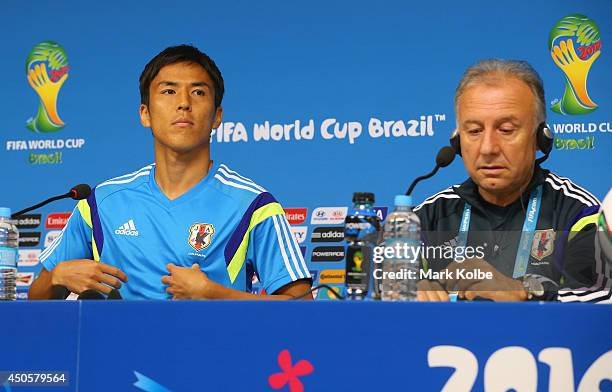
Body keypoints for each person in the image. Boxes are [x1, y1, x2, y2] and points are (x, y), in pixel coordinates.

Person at [29, 45, 313, 300]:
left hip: (213, 356)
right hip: (116, 357)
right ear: (145, 113)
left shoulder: (253, 205)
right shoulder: (102, 202)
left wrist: (213, 293)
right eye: (168, 91)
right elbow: (35, 302)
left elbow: (303, 311)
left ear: (217, 116)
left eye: (198, 92)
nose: (184, 103)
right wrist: (57, 276)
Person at [414, 59, 608, 302]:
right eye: (474, 131)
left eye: (506, 129)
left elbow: (600, 298)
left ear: (540, 138)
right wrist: (406, 293)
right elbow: (379, 292)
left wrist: (525, 292)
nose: (487, 148)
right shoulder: (425, 219)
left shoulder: (579, 213)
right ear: (457, 142)